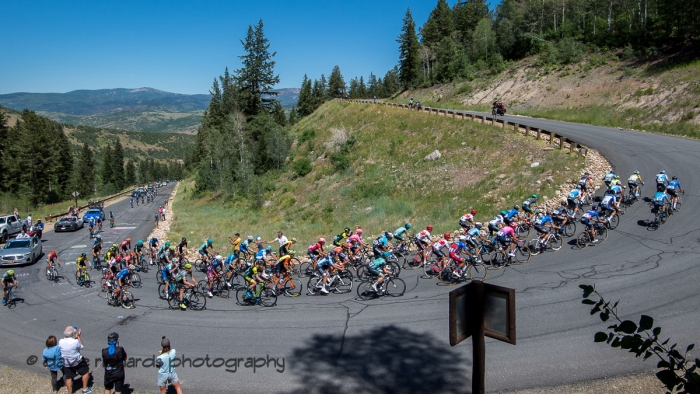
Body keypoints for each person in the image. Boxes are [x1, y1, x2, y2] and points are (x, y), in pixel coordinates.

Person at [58, 326, 95, 394]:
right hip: (76, 361)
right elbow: (81, 346)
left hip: (66, 362)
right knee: (85, 372)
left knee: (68, 377)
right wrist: (78, 336)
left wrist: (73, 334)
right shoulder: (75, 342)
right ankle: (85, 389)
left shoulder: (61, 341)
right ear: (72, 333)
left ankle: (70, 392)